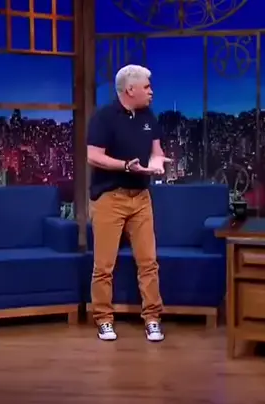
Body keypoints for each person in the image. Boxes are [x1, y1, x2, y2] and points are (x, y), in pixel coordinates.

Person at [86, 64, 171, 342]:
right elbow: (93, 156)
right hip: (110, 197)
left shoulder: (148, 116)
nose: (151, 91)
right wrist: (126, 166)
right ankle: (104, 319)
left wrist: (157, 163)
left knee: (149, 262)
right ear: (130, 89)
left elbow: (156, 151)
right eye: (147, 87)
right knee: (104, 266)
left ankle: (152, 318)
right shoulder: (104, 117)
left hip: (141, 198)